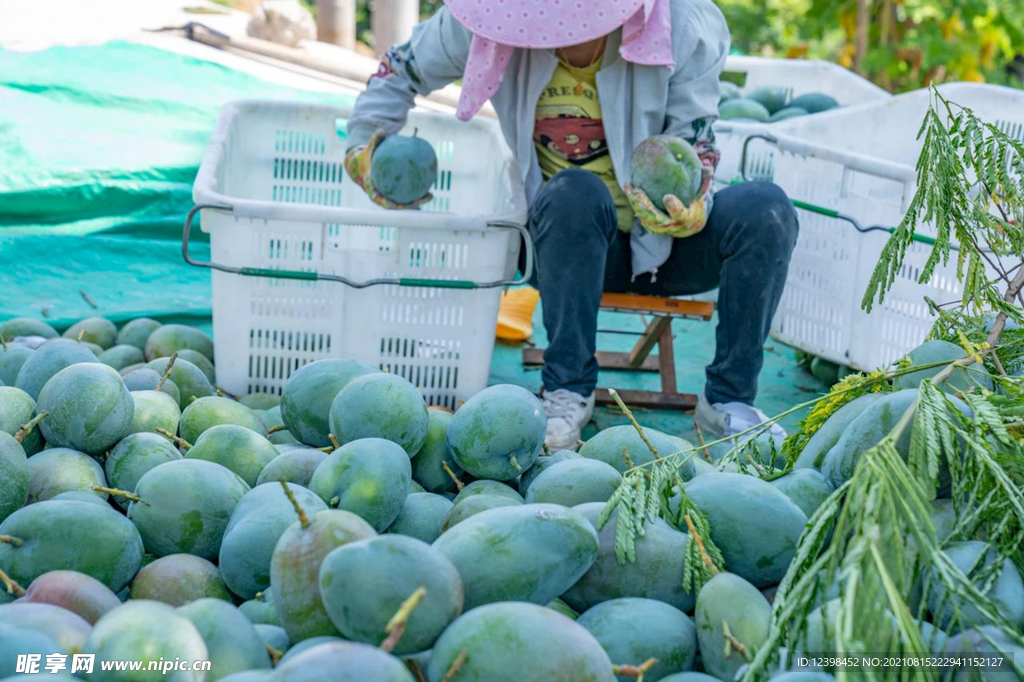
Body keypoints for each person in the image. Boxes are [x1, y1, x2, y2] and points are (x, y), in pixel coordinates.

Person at [344, 0, 799, 450]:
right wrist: (364, 146)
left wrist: (694, 200)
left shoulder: (679, 24)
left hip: (667, 246)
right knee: (572, 192)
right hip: (562, 247)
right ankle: (567, 389)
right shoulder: (489, 25)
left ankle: (730, 399)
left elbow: (692, 139)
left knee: (767, 207)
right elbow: (398, 69)